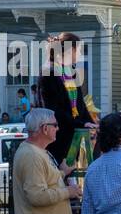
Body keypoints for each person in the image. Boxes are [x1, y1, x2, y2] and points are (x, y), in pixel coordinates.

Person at [39, 33, 96, 165]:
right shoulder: (49, 73)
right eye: (79, 50)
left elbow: (80, 103)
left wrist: (89, 122)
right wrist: (80, 124)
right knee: (60, 176)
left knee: (72, 177)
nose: (80, 54)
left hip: (73, 135)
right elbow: (53, 109)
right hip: (56, 136)